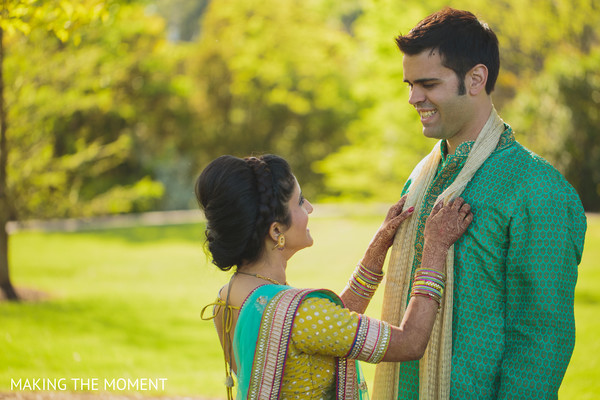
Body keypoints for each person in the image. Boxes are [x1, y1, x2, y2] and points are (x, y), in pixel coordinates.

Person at [371, 7, 587, 400]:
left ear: (475, 79)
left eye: (428, 84)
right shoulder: (423, 178)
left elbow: (540, 341)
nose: (413, 98)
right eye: (409, 84)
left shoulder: (538, 190)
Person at [197, 154, 473, 399]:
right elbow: (410, 342)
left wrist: (375, 253)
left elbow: (325, 330)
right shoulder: (301, 313)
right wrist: (435, 249)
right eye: (300, 202)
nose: (310, 209)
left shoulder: (228, 297)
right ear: (276, 231)